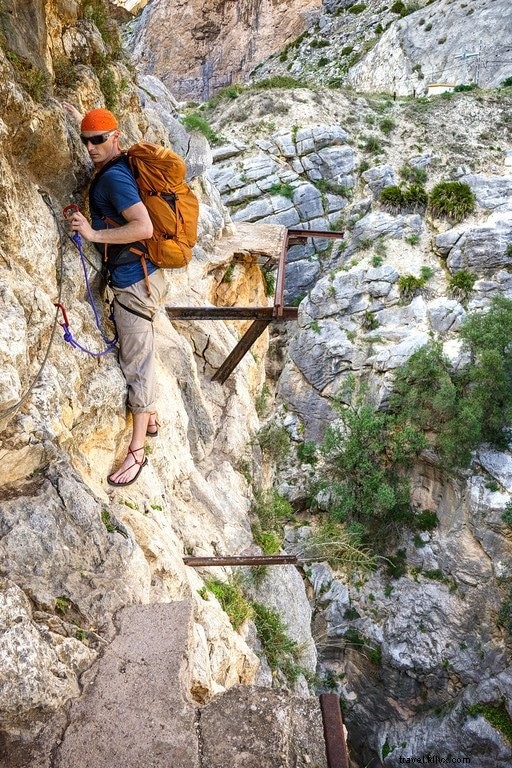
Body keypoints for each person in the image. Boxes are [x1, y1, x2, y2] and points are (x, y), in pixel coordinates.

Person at [62, 104, 167, 487]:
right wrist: (82, 118)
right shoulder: (114, 160)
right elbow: (95, 131)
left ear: (115, 138)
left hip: (133, 282)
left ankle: (137, 450)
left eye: (98, 140)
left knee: (136, 360)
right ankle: (151, 415)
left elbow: (143, 226)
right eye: (85, 141)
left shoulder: (113, 180)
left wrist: (92, 235)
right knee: (139, 348)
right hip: (143, 275)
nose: (90, 147)